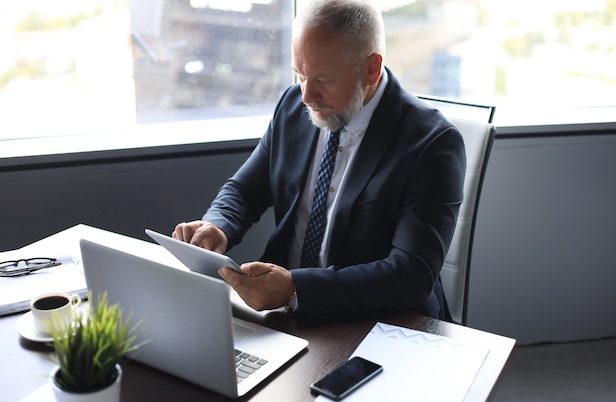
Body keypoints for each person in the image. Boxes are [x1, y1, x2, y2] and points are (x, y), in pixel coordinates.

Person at [173, 0, 466, 320]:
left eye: (323, 80)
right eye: (299, 74)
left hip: (381, 322)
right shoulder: (292, 106)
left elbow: (410, 274)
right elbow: (246, 189)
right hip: (287, 313)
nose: (306, 96)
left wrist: (296, 287)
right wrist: (218, 226)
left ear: (371, 68)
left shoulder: (433, 144)